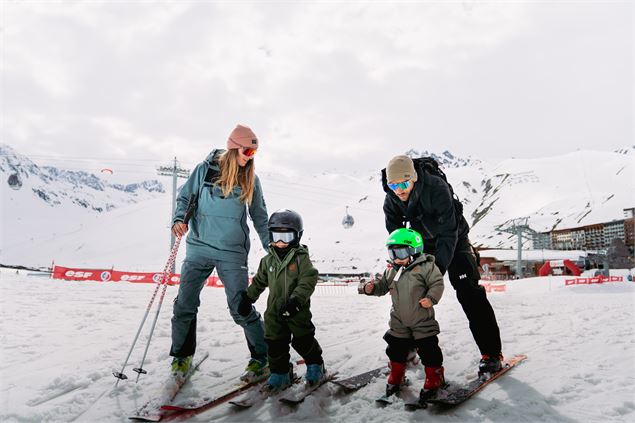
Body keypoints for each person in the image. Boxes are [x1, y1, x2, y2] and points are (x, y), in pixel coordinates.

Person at [381, 155, 503, 374]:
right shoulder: (390, 200)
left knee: (469, 292)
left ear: (414, 178)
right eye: (393, 185)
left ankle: (491, 353)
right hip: (420, 246)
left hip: (455, 240)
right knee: (411, 293)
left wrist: (436, 271)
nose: (398, 189)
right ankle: (408, 348)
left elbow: (448, 232)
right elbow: (397, 237)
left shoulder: (435, 188)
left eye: (404, 183)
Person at [169, 124, 270, 382]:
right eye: (247, 150)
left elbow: (259, 216)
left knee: (240, 307)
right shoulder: (204, 171)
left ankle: (262, 357)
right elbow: (184, 198)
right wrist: (179, 219)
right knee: (184, 304)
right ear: (234, 147)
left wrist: (272, 248)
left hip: (232, 252)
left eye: (254, 152)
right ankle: (182, 357)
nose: (250, 156)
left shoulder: (251, 179)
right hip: (199, 247)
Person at [237, 209, 326, 391]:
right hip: (274, 313)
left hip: (297, 311)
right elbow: (259, 281)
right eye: (276, 236)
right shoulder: (267, 261)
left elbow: (308, 280)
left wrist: (296, 301)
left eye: (286, 238)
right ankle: (280, 373)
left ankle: (316, 365)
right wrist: (248, 298)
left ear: (297, 237)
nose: (280, 242)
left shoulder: (302, 260)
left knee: (304, 341)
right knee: (275, 344)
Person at [359, 228, 446, 401]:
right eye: (392, 252)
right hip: (398, 320)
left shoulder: (426, 267)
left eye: (399, 252)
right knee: (395, 348)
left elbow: (437, 283)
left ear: (413, 250)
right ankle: (396, 375)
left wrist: (431, 298)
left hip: (422, 318)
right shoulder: (392, 270)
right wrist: (370, 288)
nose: (395, 257)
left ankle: (434, 377)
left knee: (429, 349)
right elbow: (382, 285)